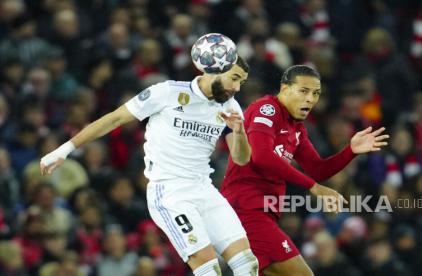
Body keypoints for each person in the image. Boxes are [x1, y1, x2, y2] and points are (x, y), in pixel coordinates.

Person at [40, 35, 259, 275]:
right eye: (235, 79)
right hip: (170, 193)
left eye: (242, 82)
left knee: (248, 264)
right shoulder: (166, 93)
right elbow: (114, 119)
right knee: (209, 270)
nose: (237, 88)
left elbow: (241, 158)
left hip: (204, 189)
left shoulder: (231, 107)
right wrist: (65, 149)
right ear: (215, 69)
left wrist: (239, 132)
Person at [221, 65, 389, 275]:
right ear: (284, 89)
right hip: (245, 209)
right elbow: (261, 156)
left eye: (316, 93)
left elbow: (318, 170)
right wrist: (314, 188)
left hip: (264, 212)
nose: (311, 99)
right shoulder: (267, 109)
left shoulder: (297, 128)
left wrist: (351, 151)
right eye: (304, 91)